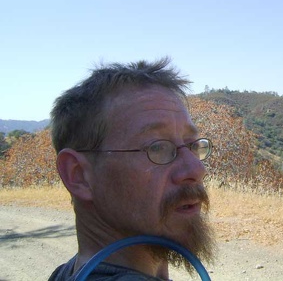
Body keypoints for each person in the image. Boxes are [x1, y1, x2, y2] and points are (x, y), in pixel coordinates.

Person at [48, 58, 216, 280]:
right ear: (78, 175)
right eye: (157, 148)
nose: (197, 169)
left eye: (193, 144)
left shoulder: (66, 273)